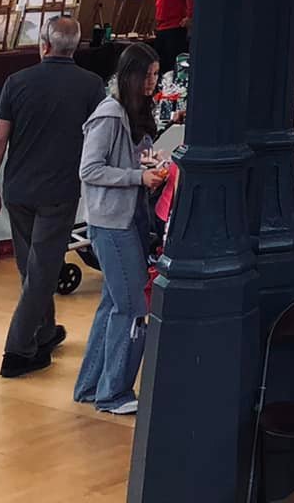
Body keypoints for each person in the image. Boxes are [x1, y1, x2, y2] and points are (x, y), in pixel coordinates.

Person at [0, 16, 103, 378]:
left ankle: (45, 331)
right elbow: (101, 136)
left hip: (19, 188)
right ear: (75, 47)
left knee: (31, 268)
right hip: (60, 189)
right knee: (40, 271)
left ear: (44, 46)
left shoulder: (17, 82)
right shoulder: (91, 85)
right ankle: (17, 350)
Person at [74, 43, 167, 416]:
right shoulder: (110, 115)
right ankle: (114, 392)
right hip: (110, 222)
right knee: (132, 306)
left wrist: (146, 165)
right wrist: (137, 176)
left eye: (157, 75)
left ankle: (91, 386)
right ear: (130, 75)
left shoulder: (130, 115)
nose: (152, 83)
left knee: (113, 302)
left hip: (124, 219)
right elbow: (89, 169)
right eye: (148, 75)